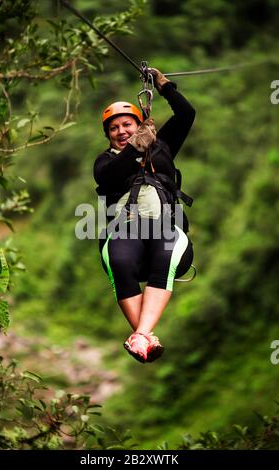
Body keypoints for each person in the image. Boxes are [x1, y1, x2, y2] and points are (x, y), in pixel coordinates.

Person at [94, 69, 196, 363]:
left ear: (140, 124)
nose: (122, 131)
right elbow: (113, 176)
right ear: (108, 135)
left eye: (128, 124)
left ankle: (141, 336)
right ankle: (144, 336)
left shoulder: (161, 146)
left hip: (166, 228)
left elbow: (186, 113)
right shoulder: (104, 162)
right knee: (120, 261)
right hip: (126, 231)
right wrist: (138, 146)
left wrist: (164, 86)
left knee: (165, 256)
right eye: (114, 128)